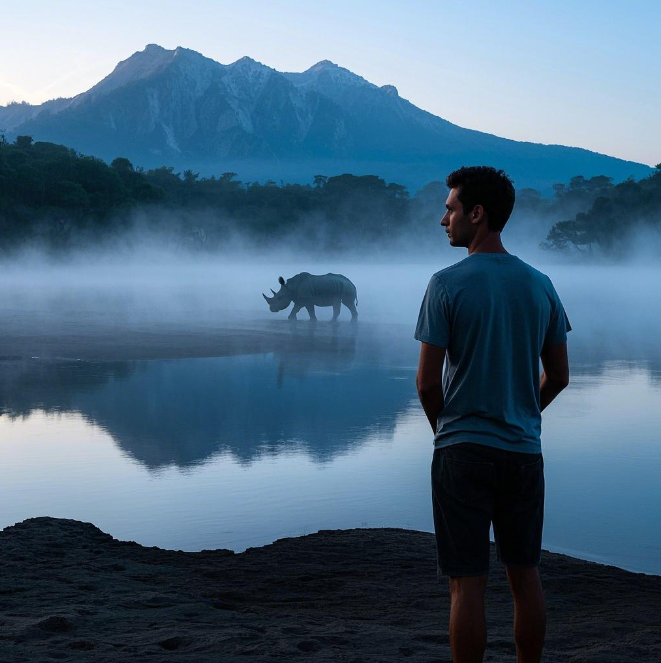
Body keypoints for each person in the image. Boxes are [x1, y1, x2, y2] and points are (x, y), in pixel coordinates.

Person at [415, 166, 570, 663]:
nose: (443, 219)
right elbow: (560, 376)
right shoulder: (541, 285)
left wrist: (448, 430)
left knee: (467, 586)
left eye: (451, 209)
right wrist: (523, 411)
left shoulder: (445, 285)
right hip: (524, 453)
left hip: (462, 451)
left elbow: (425, 382)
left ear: (476, 215)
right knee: (525, 576)